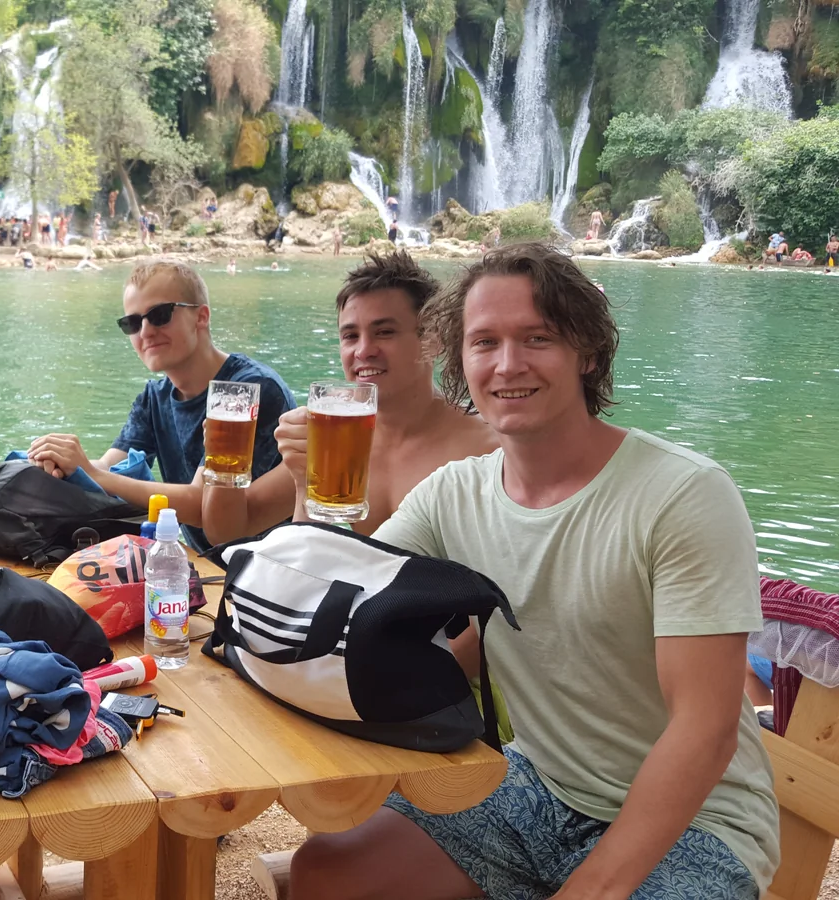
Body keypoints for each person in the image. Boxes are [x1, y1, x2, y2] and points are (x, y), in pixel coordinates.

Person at [287, 243, 778, 900]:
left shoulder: (683, 494)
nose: (508, 364)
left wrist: (593, 889)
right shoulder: (452, 493)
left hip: (698, 821)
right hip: (539, 785)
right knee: (327, 873)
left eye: (537, 338)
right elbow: (332, 592)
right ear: (459, 359)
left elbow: (707, 728)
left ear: (589, 352)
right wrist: (306, 484)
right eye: (484, 342)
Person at [202, 250, 496, 545]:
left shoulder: (487, 449)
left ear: (432, 341)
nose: (363, 351)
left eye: (384, 332)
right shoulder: (337, 439)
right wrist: (223, 466)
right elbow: (229, 530)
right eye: (351, 336)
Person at [27, 260, 296, 550]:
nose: (145, 332)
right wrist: (64, 464)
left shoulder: (250, 390)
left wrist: (92, 474)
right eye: (131, 323)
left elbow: (201, 504)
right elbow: (111, 467)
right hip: (203, 565)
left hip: (268, 572)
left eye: (159, 315)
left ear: (201, 317)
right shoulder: (154, 397)